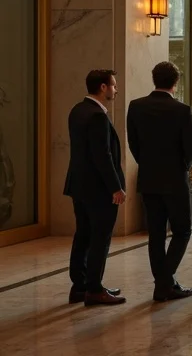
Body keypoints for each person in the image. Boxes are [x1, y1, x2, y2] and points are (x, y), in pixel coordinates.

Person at [126, 61, 192, 302]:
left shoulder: (135, 107)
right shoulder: (182, 110)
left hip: (148, 179)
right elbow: (191, 148)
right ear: (175, 83)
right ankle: (165, 283)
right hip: (175, 181)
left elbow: (133, 144)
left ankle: (164, 284)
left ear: (154, 79)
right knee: (183, 231)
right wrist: (182, 168)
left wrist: (147, 164)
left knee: (155, 234)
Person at [65, 69, 126, 306]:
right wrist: (116, 187)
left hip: (79, 186)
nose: (116, 89)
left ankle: (79, 286)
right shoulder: (97, 116)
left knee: (83, 235)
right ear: (103, 87)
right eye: (113, 85)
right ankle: (95, 289)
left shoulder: (77, 111)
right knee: (101, 237)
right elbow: (103, 157)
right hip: (99, 189)